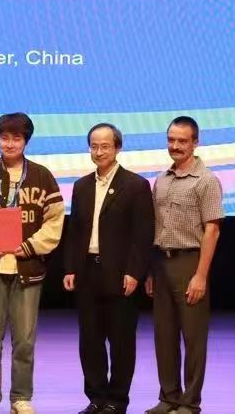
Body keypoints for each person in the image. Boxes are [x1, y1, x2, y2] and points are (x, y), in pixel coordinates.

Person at [0, 113, 64, 414]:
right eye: (4, 138)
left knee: (24, 339)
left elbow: (54, 220)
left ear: (26, 141)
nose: (10, 144)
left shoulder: (42, 176)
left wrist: (30, 246)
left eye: (16, 138)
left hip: (28, 268)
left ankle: (21, 396)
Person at [63, 124, 153, 414]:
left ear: (117, 148)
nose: (99, 152)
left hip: (120, 273)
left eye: (105, 146)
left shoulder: (136, 185)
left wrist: (134, 272)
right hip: (87, 271)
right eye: (94, 146)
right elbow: (75, 232)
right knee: (90, 340)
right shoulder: (81, 186)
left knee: (121, 340)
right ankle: (96, 398)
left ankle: (116, 400)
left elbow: (142, 234)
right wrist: (70, 268)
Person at [143, 116, 223, 414]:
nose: (175, 146)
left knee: (193, 338)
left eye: (182, 141)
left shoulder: (206, 181)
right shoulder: (161, 180)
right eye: (171, 140)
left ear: (195, 143)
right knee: (164, 336)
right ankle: (169, 397)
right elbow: (155, 226)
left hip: (190, 262)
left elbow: (212, 230)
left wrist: (200, 275)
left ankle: (190, 402)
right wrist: (150, 271)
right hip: (161, 263)